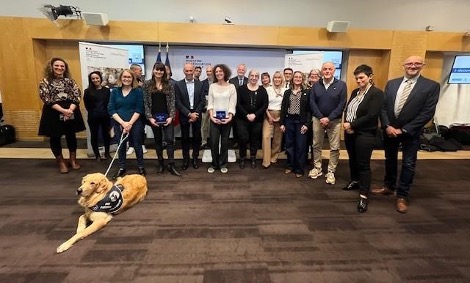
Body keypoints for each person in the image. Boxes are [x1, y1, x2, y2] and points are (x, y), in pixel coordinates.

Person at [372, 55, 440, 213]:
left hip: (411, 132)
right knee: (389, 159)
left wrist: (404, 129)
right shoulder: (392, 83)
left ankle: (402, 195)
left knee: (408, 164)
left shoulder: (431, 86)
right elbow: (383, 107)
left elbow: (427, 112)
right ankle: (388, 186)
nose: (413, 66)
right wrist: (387, 125)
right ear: (404, 65)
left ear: (423, 65)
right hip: (390, 130)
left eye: (417, 63)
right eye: (410, 63)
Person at [343, 65, 385, 213]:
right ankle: (354, 180)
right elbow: (349, 109)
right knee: (352, 159)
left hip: (365, 134)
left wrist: (352, 124)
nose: (358, 80)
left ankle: (363, 195)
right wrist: (348, 126)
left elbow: (372, 115)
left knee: (363, 164)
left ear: (370, 77)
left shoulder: (376, 93)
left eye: (361, 77)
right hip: (350, 132)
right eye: (357, 78)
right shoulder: (355, 92)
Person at [38, 57, 86, 173]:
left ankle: (73, 160)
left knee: (71, 135)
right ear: (51, 67)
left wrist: (70, 110)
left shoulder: (70, 81)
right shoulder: (45, 82)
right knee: (55, 137)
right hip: (53, 111)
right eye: (57, 66)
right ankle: (61, 162)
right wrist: (63, 111)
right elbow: (46, 98)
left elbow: (77, 95)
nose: (59, 68)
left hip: (71, 109)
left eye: (62, 66)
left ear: (65, 68)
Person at [308, 62, 347, 185]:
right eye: (325, 69)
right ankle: (317, 168)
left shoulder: (341, 85)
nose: (327, 71)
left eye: (330, 69)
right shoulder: (316, 85)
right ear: (321, 71)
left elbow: (342, 104)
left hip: (334, 121)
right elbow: (312, 102)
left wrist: (329, 118)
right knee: (316, 145)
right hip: (318, 119)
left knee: (334, 147)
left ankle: (331, 171)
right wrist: (321, 117)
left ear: (334, 70)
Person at [143, 62, 181, 176]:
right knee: (158, 141)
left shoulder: (169, 84)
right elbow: (145, 103)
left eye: (161, 70)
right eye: (157, 70)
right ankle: (160, 163)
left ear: (164, 72)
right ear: (153, 70)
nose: (159, 72)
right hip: (154, 118)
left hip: (167, 118)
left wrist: (171, 117)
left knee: (169, 140)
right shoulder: (146, 84)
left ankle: (171, 164)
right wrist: (149, 117)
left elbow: (173, 102)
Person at [108, 69, 146, 178]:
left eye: (129, 77)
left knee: (138, 145)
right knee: (121, 146)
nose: (126, 79)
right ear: (121, 78)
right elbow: (111, 109)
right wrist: (123, 123)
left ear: (133, 79)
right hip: (119, 123)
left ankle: (140, 166)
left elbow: (139, 109)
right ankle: (122, 167)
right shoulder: (115, 91)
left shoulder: (138, 91)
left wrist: (129, 123)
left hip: (135, 122)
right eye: (124, 77)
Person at [280, 71, 311, 178]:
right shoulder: (287, 92)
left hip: (301, 122)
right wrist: (282, 123)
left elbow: (309, 110)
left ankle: (299, 168)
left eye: (299, 77)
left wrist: (307, 124)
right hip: (289, 120)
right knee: (289, 145)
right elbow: (283, 108)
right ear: (293, 79)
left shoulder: (307, 92)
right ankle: (290, 166)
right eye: (296, 77)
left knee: (300, 146)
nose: (297, 79)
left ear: (302, 79)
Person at [207, 64, 237, 173]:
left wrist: (229, 117)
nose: (218, 73)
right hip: (214, 119)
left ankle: (223, 163)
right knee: (214, 142)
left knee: (225, 142)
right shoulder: (212, 86)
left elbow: (232, 104)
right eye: (217, 72)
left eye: (221, 71)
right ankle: (214, 164)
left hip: (227, 119)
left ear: (225, 73)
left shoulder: (231, 87)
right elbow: (210, 103)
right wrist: (211, 116)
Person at [175, 63, 206, 170]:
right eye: (186, 71)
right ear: (184, 71)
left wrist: (195, 113)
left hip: (197, 114)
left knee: (197, 138)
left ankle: (195, 158)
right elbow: (177, 102)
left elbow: (203, 101)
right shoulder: (178, 85)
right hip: (185, 114)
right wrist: (188, 114)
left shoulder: (200, 84)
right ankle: (186, 158)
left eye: (190, 71)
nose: (188, 73)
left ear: (194, 71)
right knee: (185, 138)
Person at [236, 69, 268, 169]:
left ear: (258, 78)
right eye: (252, 76)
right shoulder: (241, 89)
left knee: (254, 139)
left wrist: (255, 115)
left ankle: (253, 157)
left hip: (257, 119)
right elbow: (238, 104)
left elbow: (265, 105)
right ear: (248, 76)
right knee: (243, 138)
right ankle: (242, 158)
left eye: (256, 76)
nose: (254, 78)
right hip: (242, 118)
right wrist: (247, 115)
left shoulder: (263, 90)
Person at [83, 71, 111, 161]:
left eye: (97, 78)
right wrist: (94, 112)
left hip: (105, 116)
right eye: (93, 78)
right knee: (94, 136)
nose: (95, 80)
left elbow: (109, 103)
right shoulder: (87, 91)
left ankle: (107, 153)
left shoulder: (106, 90)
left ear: (100, 78)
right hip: (93, 117)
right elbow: (87, 105)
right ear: (91, 80)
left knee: (106, 135)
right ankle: (97, 155)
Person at [262, 71, 287, 168]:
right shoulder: (268, 89)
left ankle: (274, 157)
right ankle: (266, 160)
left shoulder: (285, 90)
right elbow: (264, 104)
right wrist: (269, 116)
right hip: (268, 114)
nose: (277, 79)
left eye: (279, 78)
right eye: (275, 77)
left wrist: (280, 118)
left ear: (282, 79)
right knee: (266, 136)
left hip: (281, 115)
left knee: (278, 138)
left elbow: (286, 106)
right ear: (273, 79)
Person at [126, 64, 148, 155]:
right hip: (130, 109)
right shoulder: (127, 82)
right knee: (130, 127)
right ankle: (131, 145)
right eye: (140, 71)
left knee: (141, 128)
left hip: (141, 109)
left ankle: (142, 144)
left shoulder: (142, 82)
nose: (141, 72)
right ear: (134, 71)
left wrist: (142, 86)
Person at [229, 63, 248, 148]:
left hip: (245, 108)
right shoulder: (231, 81)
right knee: (235, 125)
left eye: (243, 70)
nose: (241, 71)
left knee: (246, 126)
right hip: (234, 107)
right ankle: (236, 141)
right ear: (237, 70)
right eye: (240, 69)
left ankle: (246, 142)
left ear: (245, 71)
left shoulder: (248, 80)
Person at [201, 65, 214, 149]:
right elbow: (201, 96)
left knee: (214, 126)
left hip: (215, 107)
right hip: (205, 107)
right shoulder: (202, 83)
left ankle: (213, 141)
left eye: (210, 71)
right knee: (204, 125)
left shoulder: (217, 82)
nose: (209, 73)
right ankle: (204, 142)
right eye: (207, 71)